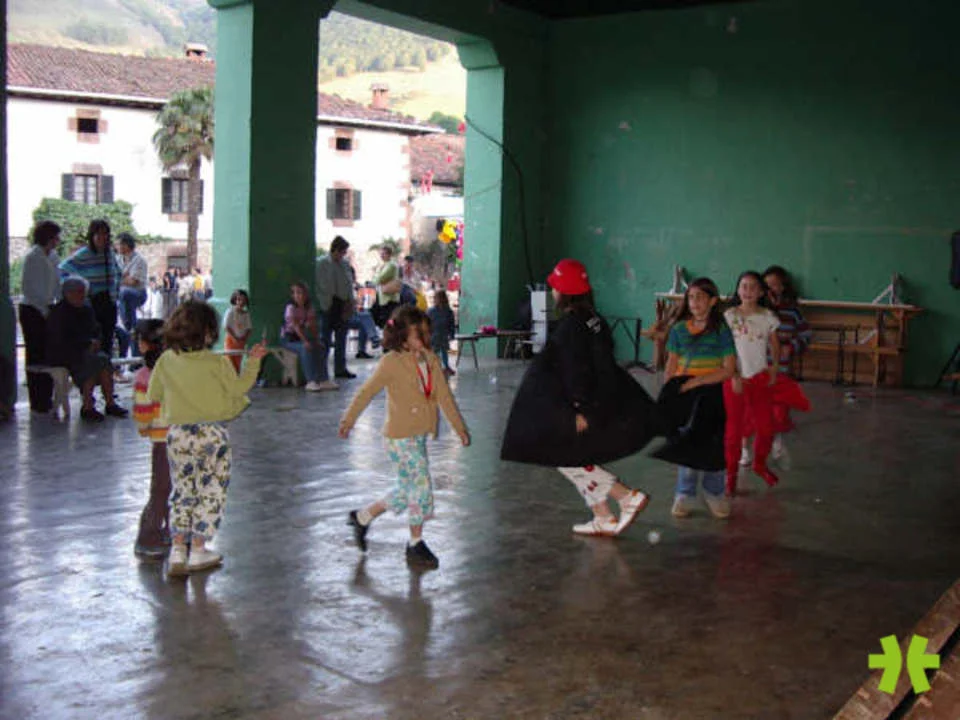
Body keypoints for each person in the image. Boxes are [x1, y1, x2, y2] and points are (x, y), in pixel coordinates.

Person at [500, 259, 656, 536]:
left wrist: (581, 410)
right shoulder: (594, 320)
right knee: (573, 457)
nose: (553, 292)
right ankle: (603, 515)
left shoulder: (571, 326)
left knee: (565, 457)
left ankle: (625, 496)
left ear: (563, 291)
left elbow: (577, 370)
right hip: (600, 401)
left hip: (583, 406)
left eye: (555, 287)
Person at [341, 306, 470, 570]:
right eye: (417, 334)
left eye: (426, 333)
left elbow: (444, 397)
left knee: (406, 490)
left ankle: (362, 518)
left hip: (417, 436)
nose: (424, 339)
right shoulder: (391, 362)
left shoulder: (431, 360)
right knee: (420, 487)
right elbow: (366, 392)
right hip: (399, 438)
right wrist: (348, 421)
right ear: (402, 336)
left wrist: (459, 428)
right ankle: (415, 544)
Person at [147, 301, 267, 577]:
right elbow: (239, 388)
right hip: (212, 435)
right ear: (209, 333)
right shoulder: (217, 362)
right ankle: (199, 549)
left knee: (182, 490)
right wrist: (253, 362)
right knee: (211, 490)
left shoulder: (166, 360)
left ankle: (178, 548)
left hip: (177, 435)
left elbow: (154, 394)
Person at [661, 277, 737, 519]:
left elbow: (728, 369)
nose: (694, 302)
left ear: (713, 301)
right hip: (685, 393)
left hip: (711, 392)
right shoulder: (678, 330)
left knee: (713, 444)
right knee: (687, 443)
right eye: (691, 297)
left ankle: (715, 493)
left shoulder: (721, 330)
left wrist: (698, 381)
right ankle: (684, 493)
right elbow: (671, 364)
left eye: (700, 297)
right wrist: (669, 392)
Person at [723, 271, 781, 495]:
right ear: (738, 290)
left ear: (761, 292)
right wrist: (735, 375)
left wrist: (774, 367)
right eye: (744, 286)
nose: (748, 291)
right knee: (733, 433)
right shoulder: (729, 316)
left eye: (753, 287)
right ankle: (731, 476)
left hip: (760, 379)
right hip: (734, 380)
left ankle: (759, 464)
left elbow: (775, 344)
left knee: (766, 428)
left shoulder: (768, 317)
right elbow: (724, 349)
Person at [748, 265, 813, 468]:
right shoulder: (755, 312)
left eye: (776, 285)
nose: (771, 289)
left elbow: (806, 335)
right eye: (767, 285)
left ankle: (777, 443)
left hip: (781, 372)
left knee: (779, 412)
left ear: (783, 287)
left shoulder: (792, 312)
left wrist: (791, 347)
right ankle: (747, 449)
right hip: (756, 370)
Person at [46, 276, 129, 422]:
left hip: (87, 350)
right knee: (91, 362)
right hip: (66, 353)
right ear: (68, 293)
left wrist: (95, 341)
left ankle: (110, 402)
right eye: (79, 292)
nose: (82, 296)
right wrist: (86, 343)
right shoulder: (58, 313)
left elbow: (96, 329)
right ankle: (87, 405)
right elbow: (60, 339)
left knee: (103, 360)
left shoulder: (86, 309)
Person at [132, 319, 170, 559]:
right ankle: (156, 533)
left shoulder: (144, 376)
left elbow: (143, 413)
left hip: (162, 441)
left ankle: (151, 535)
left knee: (161, 489)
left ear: (144, 345)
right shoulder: (176, 372)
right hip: (181, 437)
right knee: (173, 488)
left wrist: (145, 429)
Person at [59, 219, 122, 357]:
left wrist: (116, 291)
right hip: (93, 302)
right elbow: (62, 270)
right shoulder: (84, 254)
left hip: (110, 302)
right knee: (95, 340)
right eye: (98, 234)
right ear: (92, 236)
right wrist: (77, 289)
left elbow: (117, 272)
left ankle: (106, 366)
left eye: (105, 234)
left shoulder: (109, 253)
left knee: (108, 341)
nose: (102, 238)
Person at [18, 220, 62, 413]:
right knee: (35, 354)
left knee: (48, 353)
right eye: (56, 237)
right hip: (32, 309)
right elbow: (28, 288)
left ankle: (47, 396)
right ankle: (37, 400)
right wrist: (43, 310)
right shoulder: (33, 257)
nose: (58, 240)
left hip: (48, 308)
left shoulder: (53, 257)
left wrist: (57, 306)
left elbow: (57, 283)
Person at [282, 281, 336, 391]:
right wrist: (305, 342)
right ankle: (310, 380)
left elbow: (313, 326)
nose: (298, 296)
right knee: (305, 349)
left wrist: (317, 340)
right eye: (296, 293)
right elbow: (296, 327)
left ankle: (323, 380)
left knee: (320, 348)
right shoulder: (290, 308)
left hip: (303, 337)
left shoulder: (309, 307)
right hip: (289, 339)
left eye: (301, 293)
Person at [316, 236, 356, 379]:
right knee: (325, 340)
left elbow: (349, 284)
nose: (343, 255)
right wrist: (323, 303)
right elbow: (319, 286)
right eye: (342, 252)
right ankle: (321, 371)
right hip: (327, 304)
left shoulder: (344, 264)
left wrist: (350, 302)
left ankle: (340, 368)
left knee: (341, 338)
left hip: (342, 304)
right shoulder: (321, 263)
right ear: (335, 250)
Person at [116, 233, 148, 358]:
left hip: (138, 293)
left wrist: (120, 279)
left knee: (124, 293)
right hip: (122, 296)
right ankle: (129, 327)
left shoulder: (139, 260)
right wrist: (124, 277)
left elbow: (134, 281)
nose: (116, 246)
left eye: (119, 244)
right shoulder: (117, 259)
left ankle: (129, 326)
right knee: (122, 295)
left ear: (126, 245)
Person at [427, 290, 456, 376]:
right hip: (434, 336)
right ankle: (432, 368)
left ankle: (446, 367)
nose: (436, 300)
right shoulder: (431, 311)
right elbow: (426, 323)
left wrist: (452, 334)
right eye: (435, 298)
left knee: (444, 352)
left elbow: (451, 324)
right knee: (434, 352)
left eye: (438, 298)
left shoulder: (448, 311)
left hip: (443, 335)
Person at [223, 289, 252, 374]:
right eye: (239, 299)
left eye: (243, 300)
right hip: (231, 341)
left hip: (241, 343)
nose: (241, 302)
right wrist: (234, 338)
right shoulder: (230, 312)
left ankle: (236, 379)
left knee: (237, 364)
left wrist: (243, 339)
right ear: (234, 300)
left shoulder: (246, 314)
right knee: (230, 364)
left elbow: (249, 329)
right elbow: (226, 327)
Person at [372, 245, 402, 327]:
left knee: (389, 320)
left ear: (389, 254)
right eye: (381, 253)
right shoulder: (384, 264)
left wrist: (375, 278)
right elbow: (377, 278)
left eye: (384, 253)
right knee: (386, 319)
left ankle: (390, 332)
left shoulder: (391, 265)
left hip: (389, 298)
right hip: (384, 297)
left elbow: (380, 278)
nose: (381, 255)